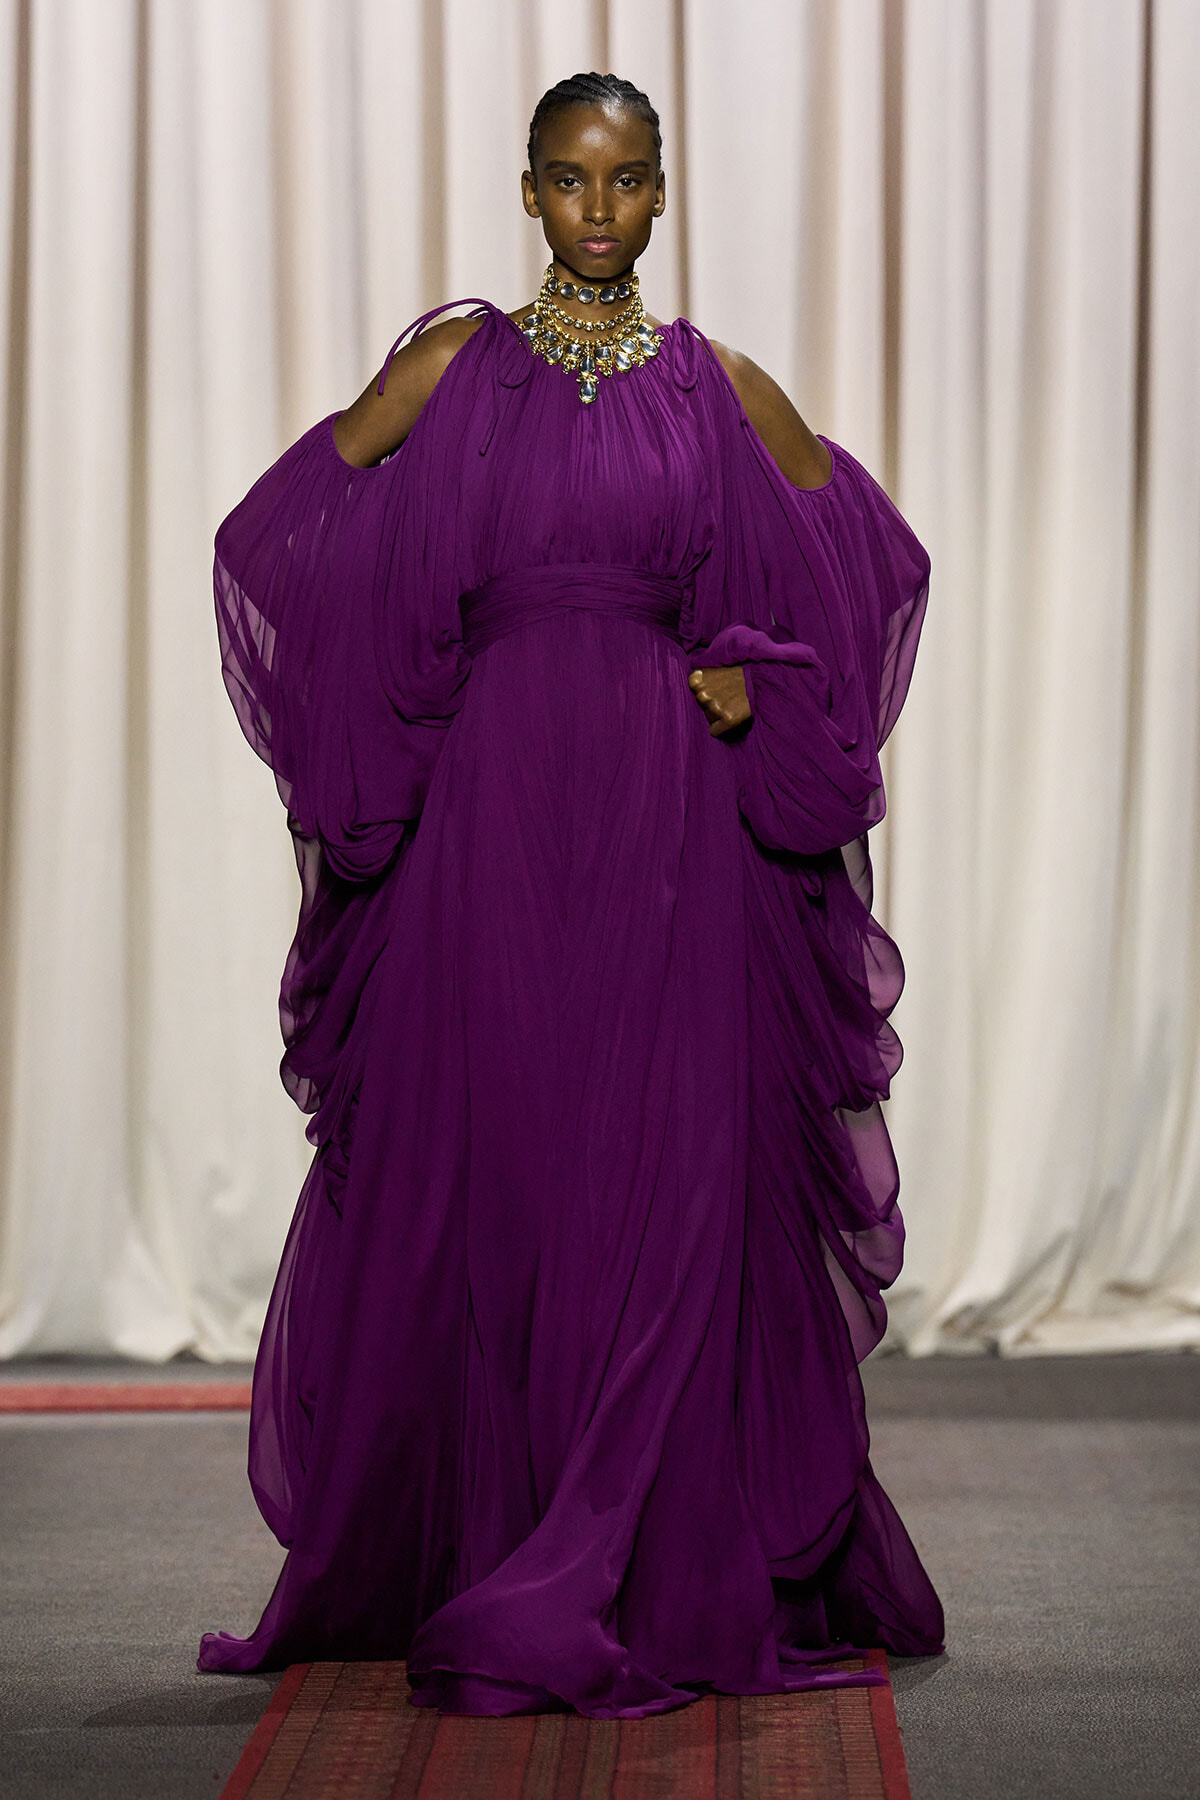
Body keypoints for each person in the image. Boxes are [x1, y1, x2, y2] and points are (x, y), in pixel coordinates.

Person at [198, 71, 945, 1719]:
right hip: (494, 826)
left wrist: (757, 681)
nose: (597, 212)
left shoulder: (714, 383)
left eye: (625, 183)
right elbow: (280, 535)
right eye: (567, 181)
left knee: (667, 1172)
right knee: (511, 1165)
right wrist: (413, 702)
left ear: (663, 195)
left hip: (669, 831)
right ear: (528, 193)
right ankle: (497, 1534)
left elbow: (868, 563)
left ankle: (641, 1543)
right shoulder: (455, 368)